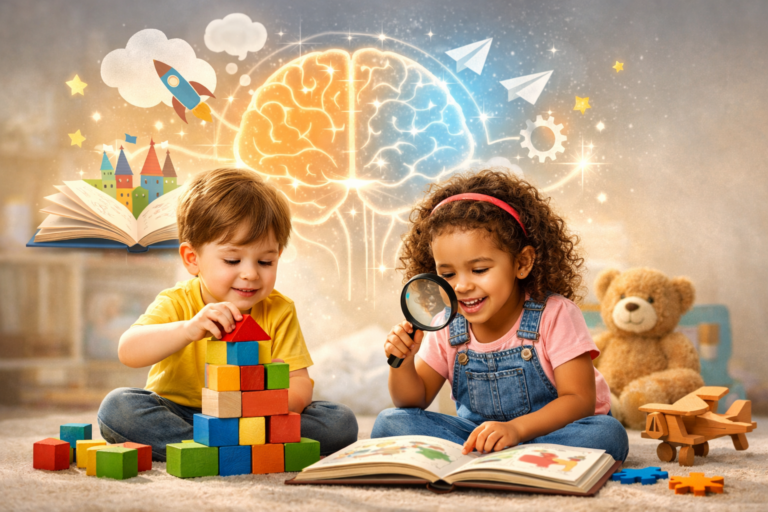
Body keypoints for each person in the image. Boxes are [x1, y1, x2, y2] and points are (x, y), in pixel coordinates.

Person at [98, 168, 358, 460]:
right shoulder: (177, 301)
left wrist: (274, 400)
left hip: (254, 419)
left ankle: (222, 449)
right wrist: (187, 330)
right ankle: (213, 448)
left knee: (340, 421)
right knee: (118, 408)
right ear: (192, 259)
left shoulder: (279, 309)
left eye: (265, 261)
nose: (250, 274)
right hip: (182, 414)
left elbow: (299, 382)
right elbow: (129, 351)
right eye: (232, 260)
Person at [372, 169, 628, 462]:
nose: (462, 285)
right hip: (481, 435)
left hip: (552, 430)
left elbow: (580, 401)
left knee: (607, 434)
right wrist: (401, 363)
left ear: (522, 263)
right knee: (389, 423)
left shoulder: (555, 314)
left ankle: (503, 455)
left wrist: (516, 430)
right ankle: (506, 458)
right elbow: (412, 400)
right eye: (447, 273)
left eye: (479, 269)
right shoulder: (446, 323)